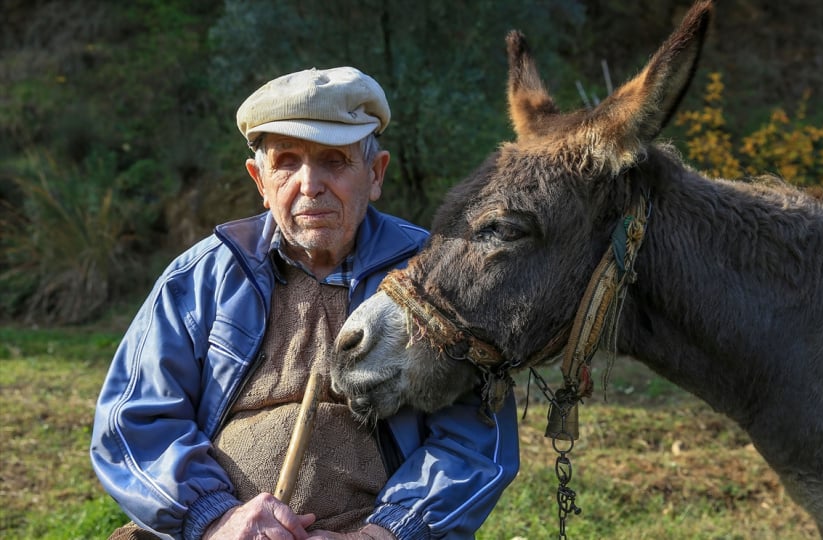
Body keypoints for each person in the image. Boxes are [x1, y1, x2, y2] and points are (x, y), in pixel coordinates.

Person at [90, 66, 520, 540]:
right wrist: (215, 518)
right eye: (288, 161)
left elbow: (476, 441)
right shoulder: (200, 277)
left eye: (335, 161)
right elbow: (135, 418)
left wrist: (386, 534)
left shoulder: (435, 278)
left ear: (375, 174)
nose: (310, 185)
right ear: (260, 178)